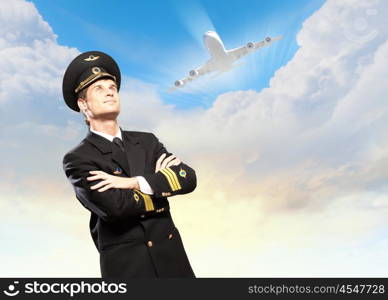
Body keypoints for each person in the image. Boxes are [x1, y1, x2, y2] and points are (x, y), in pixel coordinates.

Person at [62, 51, 196, 278]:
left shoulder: (147, 141)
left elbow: (188, 178)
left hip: (174, 265)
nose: (109, 92)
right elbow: (115, 208)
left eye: (112, 86)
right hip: (129, 271)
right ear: (83, 104)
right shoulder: (78, 159)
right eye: (99, 89)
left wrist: (133, 183)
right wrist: (159, 186)